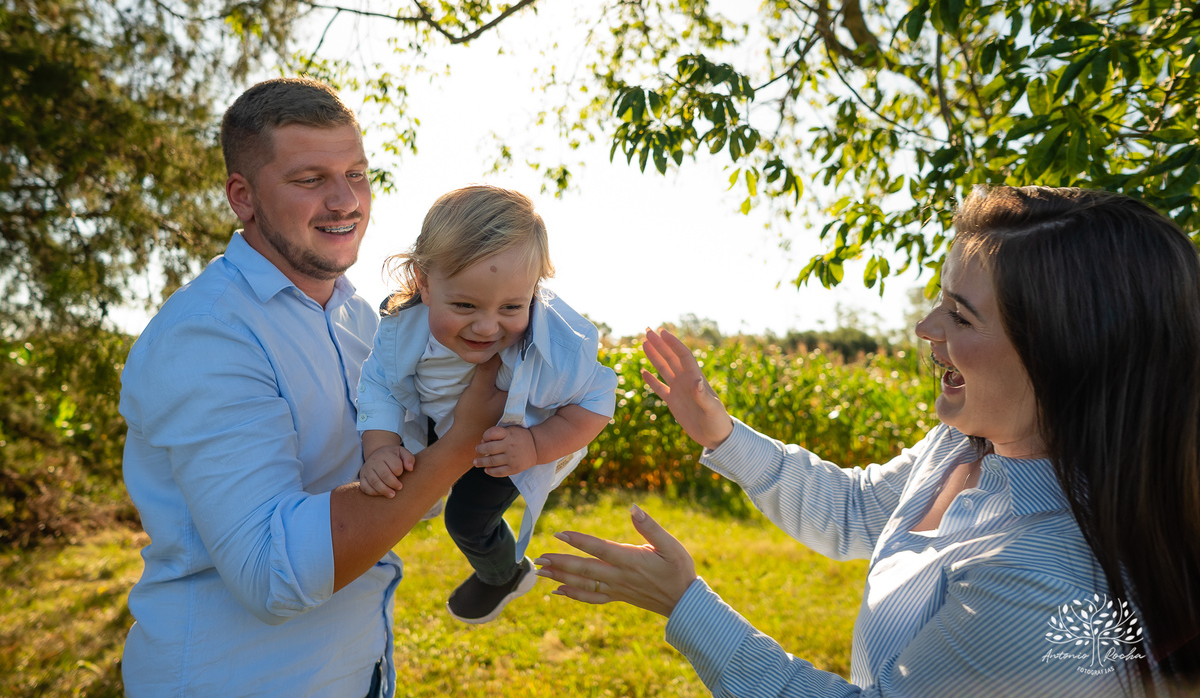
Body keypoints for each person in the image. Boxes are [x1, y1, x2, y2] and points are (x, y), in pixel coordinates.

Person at [534, 186, 1200, 696]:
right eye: (941, 299)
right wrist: (721, 432)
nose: (925, 326)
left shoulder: (1051, 587)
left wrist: (684, 604)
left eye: (960, 314)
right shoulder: (968, 445)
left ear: (1064, 356)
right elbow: (856, 510)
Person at [119, 78, 506, 697]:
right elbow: (272, 573)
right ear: (242, 197)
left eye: (356, 173)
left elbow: (413, 493)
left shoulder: (365, 321)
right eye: (309, 180)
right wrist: (461, 444)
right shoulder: (208, 335)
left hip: (361, 671)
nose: (344, 201)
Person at [356, 184, 617, 624]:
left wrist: (535, 446)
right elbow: (378, 386)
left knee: (466, 521)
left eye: (511, 306)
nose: (487, 326)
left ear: (534, 289)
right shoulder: (400, 329)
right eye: (464, 304)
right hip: (440, 423)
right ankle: (431, 489)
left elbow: (597, 402)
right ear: (423, 280)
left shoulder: (557, 344)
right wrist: (379, 448)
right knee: (398, 485)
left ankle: (505, 574)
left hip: (508, 443)